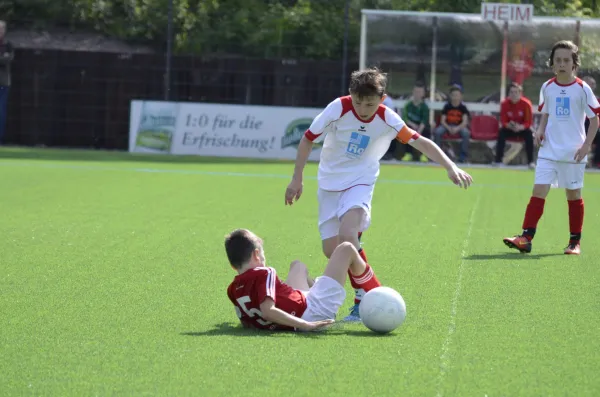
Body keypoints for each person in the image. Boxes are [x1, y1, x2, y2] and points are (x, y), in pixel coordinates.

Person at [284, 67, 473, 321]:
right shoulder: (338, 109)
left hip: (360, 182)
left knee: (347, 236)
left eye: (370, 104)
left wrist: (450, 166)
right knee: (333, 252)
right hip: (329, 184)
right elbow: (307, 139)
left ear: (382, 100)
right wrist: (297, 178)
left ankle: (367, 295)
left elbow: (420, 141)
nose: (363, 109)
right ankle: (357, 289)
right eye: (358, 102)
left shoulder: (387, 117)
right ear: (350, 94)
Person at [503, 40, 600, 255]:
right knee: (539, 191)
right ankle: (526, 238)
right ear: (552, 63)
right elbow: (546, 112)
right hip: (549, 150)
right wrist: (540, 130)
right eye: (558, 60)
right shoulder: (547, 87)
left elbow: (595, 120)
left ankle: (575, 242)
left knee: (573, 195)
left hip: (573, 152)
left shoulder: (583, 89)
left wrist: (586, 145)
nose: (562, 64)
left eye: (566, 60)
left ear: (574, 63)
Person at [225, 229, 382, 331]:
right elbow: (267, 311)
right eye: (263, 253)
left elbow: (246, 321)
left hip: (301, 305)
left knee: (297, 266)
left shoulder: (233, 288)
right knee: (346, 248)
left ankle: (322, 289)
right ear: (256, 255)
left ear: (233, 265)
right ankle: (375, 291)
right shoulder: (265, 273)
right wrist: (306, 325)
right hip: (313, 311)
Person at [494, 82, 535, 168]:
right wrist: (509, 125)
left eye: (516, 92)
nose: (514, 94)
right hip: (509, 128)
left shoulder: (526, 104)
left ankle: (530, 162)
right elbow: (503, 120)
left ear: (520, 93)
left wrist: (521, 127)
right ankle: (498, 161)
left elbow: (528, 122)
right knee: (501, 133)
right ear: (508, 93)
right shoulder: (504, 104)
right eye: (511, 92)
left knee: (529, 134)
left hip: (522, 129)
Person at [433, 85, 471, 163]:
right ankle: (437, 155)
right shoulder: (447, 106)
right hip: (447, 126)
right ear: (450, 96)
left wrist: (457, 128)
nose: (455, 97)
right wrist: (448, 128)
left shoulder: (463, 108)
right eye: (453, 95)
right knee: (437, 132)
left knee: (466, 133)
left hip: (459, 126)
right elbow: (442, 121)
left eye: (457, 95)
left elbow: (465, 122)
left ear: (460, 96)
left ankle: (463, 156)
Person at [401, 83, 431, 162]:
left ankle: (424, 154)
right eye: (416, 91)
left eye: (419, 92)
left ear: (423, 94)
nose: (417, 93)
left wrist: (419, 132)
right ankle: (408, 154)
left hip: (421, 128)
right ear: (413, 92)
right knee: (404, 131)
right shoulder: (408, 105)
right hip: (410, 126)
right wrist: (412, 125)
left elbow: (424, 121)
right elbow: (405, 118)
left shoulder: (425, 107)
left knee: (427, 132)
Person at [0, 20, 14, 144]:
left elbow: (7, 59)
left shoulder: (8, 45)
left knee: (1, 111)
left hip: (3, 83)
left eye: (2, 29)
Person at [582, 75, 600, 167]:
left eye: (594, 84)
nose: (593, 86)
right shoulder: (578, 97)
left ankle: (596, 162)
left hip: (594, 124)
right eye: (591, 84)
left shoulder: (597, 99)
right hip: (582, 123)